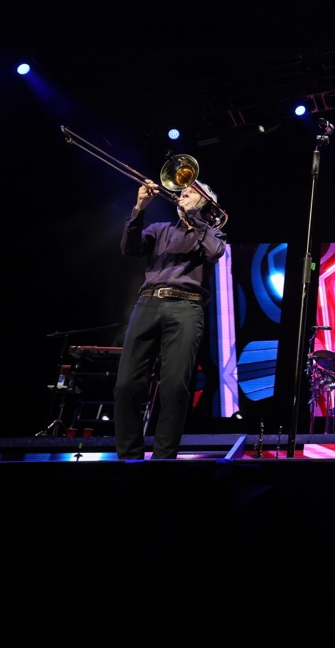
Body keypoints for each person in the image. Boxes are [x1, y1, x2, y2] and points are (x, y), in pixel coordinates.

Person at [113, 178, 227, 460]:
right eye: (183, 190)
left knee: (175, 386)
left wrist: (194, 218)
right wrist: (139, 208)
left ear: (206, 203)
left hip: (186, 307)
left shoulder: (211, 233)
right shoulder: (160, 229)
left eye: (192, 192)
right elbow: (130, 249)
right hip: (148, 303)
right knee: (126, 384)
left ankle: (163, 460)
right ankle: (128, 458)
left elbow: (215, 252)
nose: (184, 192)